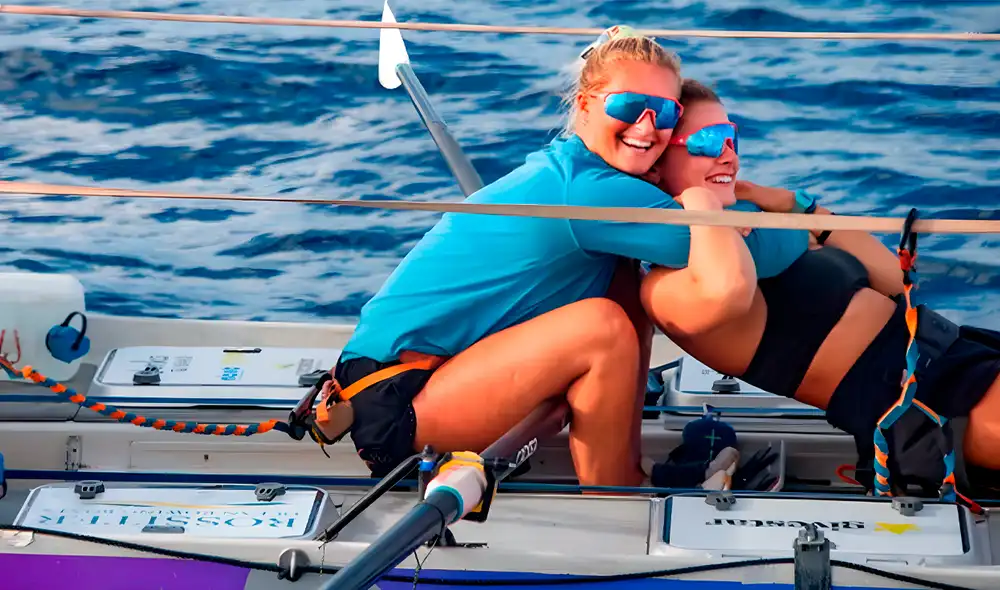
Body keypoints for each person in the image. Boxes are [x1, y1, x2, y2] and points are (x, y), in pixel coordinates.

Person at [324, 28, 810, 488]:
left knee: (622, 284)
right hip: (395, 401)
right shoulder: (586, 190)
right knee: (602, 326)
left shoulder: (584, 171)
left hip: (426, 381)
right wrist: (797, 213)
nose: (647, 125)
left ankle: (621, 454)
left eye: (663, 113)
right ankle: (618, 492)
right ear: (585, 104)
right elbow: (749, 252)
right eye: (629, 105)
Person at [639, 78, 1000, 500]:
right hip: (924, 408)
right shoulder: (670, 288)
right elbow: (729, 288)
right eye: (707, 141)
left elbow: (894, 280)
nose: (728, 155)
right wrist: (703, 208)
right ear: (656, 163)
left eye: (731, 138)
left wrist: (795, 206)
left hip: (960, 352)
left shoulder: (764, 236)